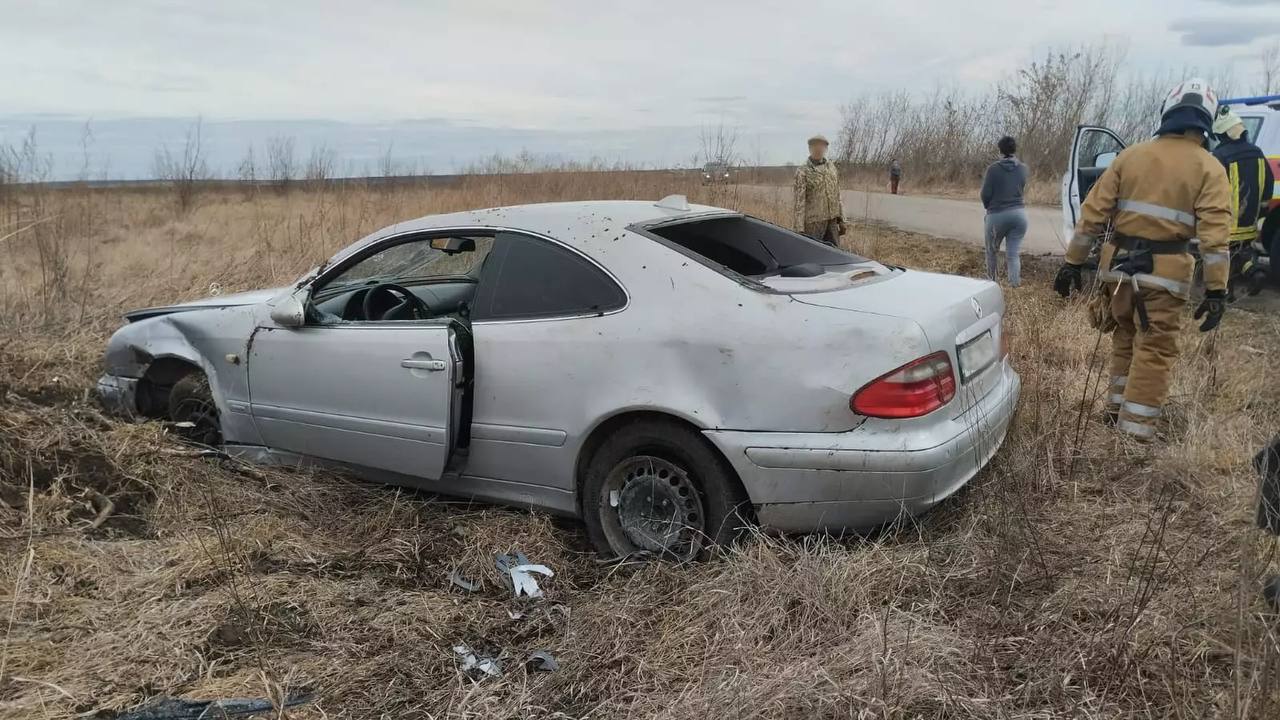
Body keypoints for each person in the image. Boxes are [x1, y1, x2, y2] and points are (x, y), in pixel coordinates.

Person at [1053, 78, 1232, 441]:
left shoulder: (1129, 156)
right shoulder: (1209, 167)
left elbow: (1091, 215)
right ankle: (1133, 435)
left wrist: (1072, 263)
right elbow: (1215, 240)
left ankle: (1115, 409)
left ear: (1168, 111)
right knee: (1154, 349)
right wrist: (1216, 290)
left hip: (1117, 268)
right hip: (1165, 276)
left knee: (1124, 336)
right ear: (1206, 120)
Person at [1211, 107, 1274, 298]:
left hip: (1227, 222)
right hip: (1250, 222)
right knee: (1242, 252)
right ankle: (1255, 272)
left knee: (1225, 257)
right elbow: (1269, 184)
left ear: (1222, 134)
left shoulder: (1220, 156)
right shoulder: (1257, 152)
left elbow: (1212, 189)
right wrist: (1261, 213)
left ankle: (1226, 293)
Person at [980, 136, 1029, 287]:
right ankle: (1014, 285)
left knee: (991, 252)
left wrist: (989, 208)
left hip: (997, 215)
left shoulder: (993, 169)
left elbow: (985, 194)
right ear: (1014, 150)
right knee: (1013, 254)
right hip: (1019, 216)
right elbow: (1021, 188)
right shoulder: (1023, 168)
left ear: (999, 150)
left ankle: (991, 284)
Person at [793, 134, 846, 245]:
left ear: (825, 149)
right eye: (815, 147)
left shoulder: (831, 168)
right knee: (812, 254)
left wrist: (842, 220)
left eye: (821, 147)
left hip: (831, 222)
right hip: (813, 224)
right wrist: (799, 229)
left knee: (834, 256)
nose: (818, 149)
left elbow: (837, 194)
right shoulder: (803, 171)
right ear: (809, 149)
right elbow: (799, 202)